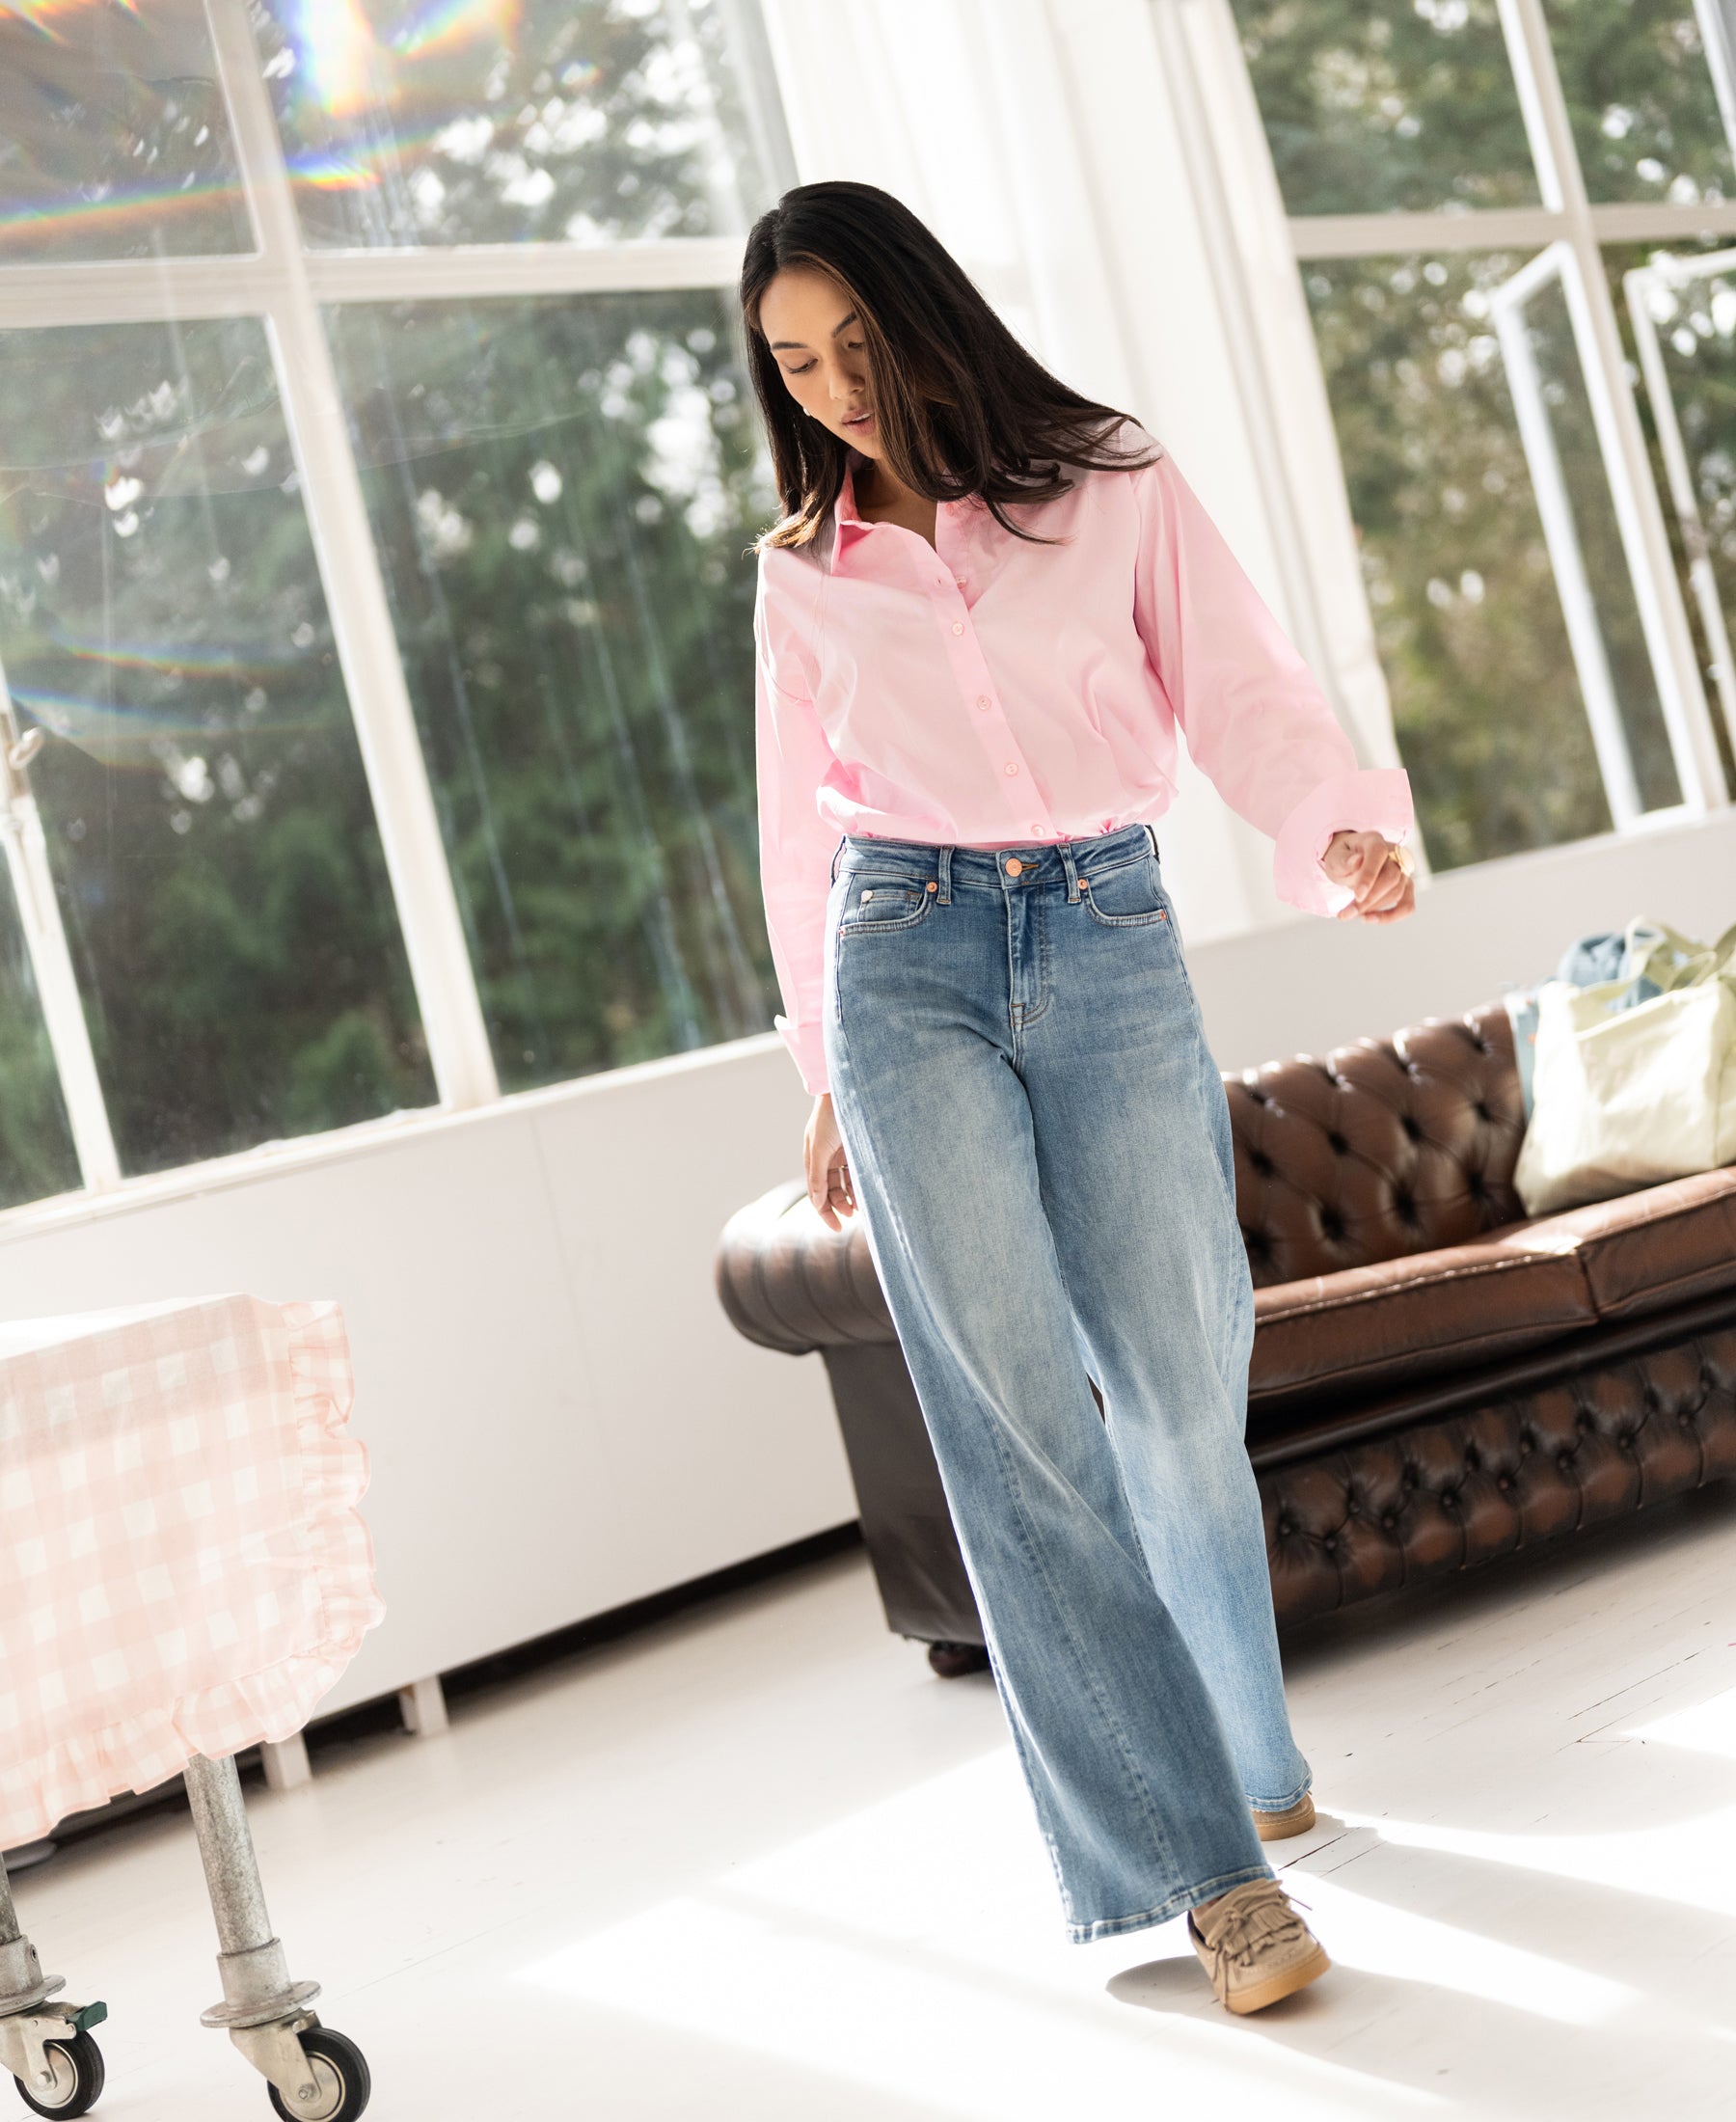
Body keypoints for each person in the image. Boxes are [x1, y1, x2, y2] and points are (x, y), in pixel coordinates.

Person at [741, 180, 1416, 2016]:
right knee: (1016, 1431)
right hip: (901, 959)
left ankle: (1250, 1758)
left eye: (856, 345)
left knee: (1177, 1391)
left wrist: (1330, 827)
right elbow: (797, 836)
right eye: (794, 365)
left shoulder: (1106, 478)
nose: (836, 390)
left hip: (1110, 931)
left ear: (924, 314)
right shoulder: (802, 571)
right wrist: (824, 1067)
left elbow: (1243, 688)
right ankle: (1207, 1877)